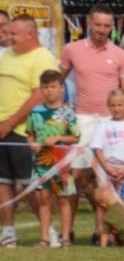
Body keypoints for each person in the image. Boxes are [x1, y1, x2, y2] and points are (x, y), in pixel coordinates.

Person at [58, 4, 124, 237]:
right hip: (82, 118)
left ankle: (103, 229)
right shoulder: (71, 49)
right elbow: (55, 82)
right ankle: (67, 231)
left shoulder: (121, 55)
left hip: (111, 120)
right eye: (98, 24)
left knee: (106, 176)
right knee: (76, 175)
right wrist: (59, 114)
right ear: (89, 23)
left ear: (112, 27)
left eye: (107, 26)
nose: (102, 29)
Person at [0, 16, 59, 247]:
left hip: (24, 130)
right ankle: (7, 231)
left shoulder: (43, 57)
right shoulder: (7, 56)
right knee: (2, 182)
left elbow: (38, 96)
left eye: (13, 33)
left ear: (29, 34)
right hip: (2, 128)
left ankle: (48, 231)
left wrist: (10, 123)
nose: (8, 37)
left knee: (30, 184)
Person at [25, 70, 79, 247]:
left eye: (53, 86)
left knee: (64, 200)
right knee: (44, 200)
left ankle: (65, 238)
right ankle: (45, 238)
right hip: (41, 163)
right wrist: (32, 143)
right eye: (46, 87)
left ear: (61, 88)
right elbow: (30, 134)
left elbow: (76, 137)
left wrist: (58, 139)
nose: (50, 90)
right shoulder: (35, 112)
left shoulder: (68, 112)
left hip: (61, 164)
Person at [89, 88, 124, 199]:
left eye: (120, 105)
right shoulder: (103, 125)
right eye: (113, 105)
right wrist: (106, 167)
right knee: (104, 200)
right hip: (107, 167)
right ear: (108, 106)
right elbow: (98, 149)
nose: (116, 109)